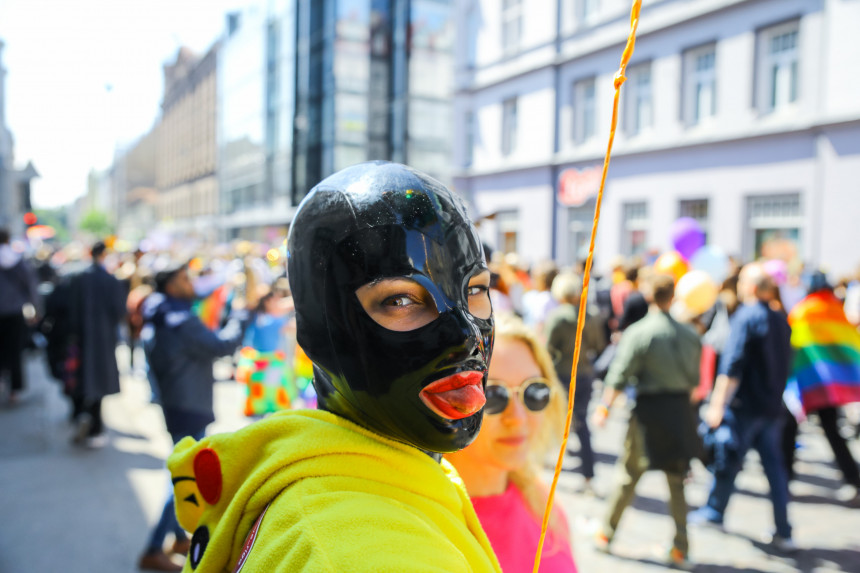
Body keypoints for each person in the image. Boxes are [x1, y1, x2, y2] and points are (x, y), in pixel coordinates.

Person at [166, 162, 501, 572]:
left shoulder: (349, 480)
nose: (466, 336)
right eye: (400, 300)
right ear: (316, 330)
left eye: (476, 289)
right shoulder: (359, 556)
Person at [138, 262, 250, 571]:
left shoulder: (160, 310)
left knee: (181, 464)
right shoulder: (181, 320)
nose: (191, 284)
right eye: (185, 279)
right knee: (184, 477)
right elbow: (222, 345)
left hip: (176, 401)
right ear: (171, 285)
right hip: (188, 404)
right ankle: (153, 548)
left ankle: (177, 538)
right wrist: (240, 314)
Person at [445, 315, 576, 572]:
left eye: (534, 391)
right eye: (492, 395)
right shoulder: (421, 521)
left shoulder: (541, 498)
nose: (518, 418)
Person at [592, 273, 702, 569]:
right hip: (679, 411)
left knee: (628, 474)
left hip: (648, 411)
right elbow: (695, 381)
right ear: (673, 296)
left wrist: (604, 408)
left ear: (650, 295)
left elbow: (620, 373)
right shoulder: (690, 334)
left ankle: (606, 533)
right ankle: (681, 548)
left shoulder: (639, 332)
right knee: (677, 481)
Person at [690, 263, 796, 552]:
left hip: (745, 407)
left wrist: (717, 404)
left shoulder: (747, 316)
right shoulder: (780, 318)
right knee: (775, 470)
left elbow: (732, 365)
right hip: (771, 406)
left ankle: (714, 511)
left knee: (728, 459)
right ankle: (784, 529)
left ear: (750, 287)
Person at [782, 271, 860, 503]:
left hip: (807, 382)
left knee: (790, 431)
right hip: (829, 385)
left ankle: (783, 482)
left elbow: (793, 344)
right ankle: (855, 480)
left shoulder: (803, 311)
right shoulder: (835, 310)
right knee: (833, 432)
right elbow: (848, 344)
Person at [544, 271, 607, 492]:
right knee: (581, 424)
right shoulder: (590, 315)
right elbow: (599, 346)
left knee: (554, 420)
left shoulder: (559, 317)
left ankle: (548, 464)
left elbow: (548, 349)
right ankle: (588, 476)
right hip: (585, 374)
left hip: (563, 374)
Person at [66, 240, 127, 447]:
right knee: (98, 381)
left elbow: (71, 310)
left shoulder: (79, 278)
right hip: (103, 339)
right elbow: (120, 310)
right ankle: (95, 426)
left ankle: (81, 413)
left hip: (81, 338)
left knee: (81, 378)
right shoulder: (110, 280)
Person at [0, 228, 39, 404]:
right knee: (15, 351)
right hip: (15, 312)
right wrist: (35, 309)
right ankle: (14, 390)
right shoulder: (17, 260)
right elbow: (30, 286)